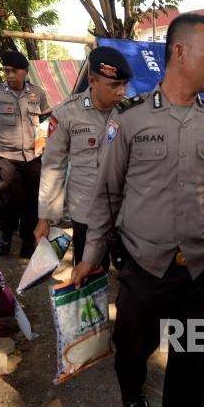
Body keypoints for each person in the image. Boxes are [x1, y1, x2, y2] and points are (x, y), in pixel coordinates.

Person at [72, 13, 204, 407]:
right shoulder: (130, 121)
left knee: (194, 356)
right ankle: (131, 383)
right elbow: (106, 193)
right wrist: (90, 256)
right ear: (179, 52)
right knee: (135, 341)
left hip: (202, 265)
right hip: (146, 263)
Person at [34, 46, 133, 267]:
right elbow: (53, 166)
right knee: (89, 276)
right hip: (86, 212)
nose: (121, 92)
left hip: (124, 211)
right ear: (92, 81)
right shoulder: (67, 113)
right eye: (114, 85)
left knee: (129, 275)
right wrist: (45, 217)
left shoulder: (130, 113)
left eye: (124, 84)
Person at [0, 50, 49, 257]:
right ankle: (6, 233)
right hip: (6, 157)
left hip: (33, 157)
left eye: (15, 71)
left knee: (32, 202)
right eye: (7, 71)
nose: (10, 75)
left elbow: (46, 123)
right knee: (9, 201)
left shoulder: (38, 93)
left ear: (25, 72)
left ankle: (27, 241)